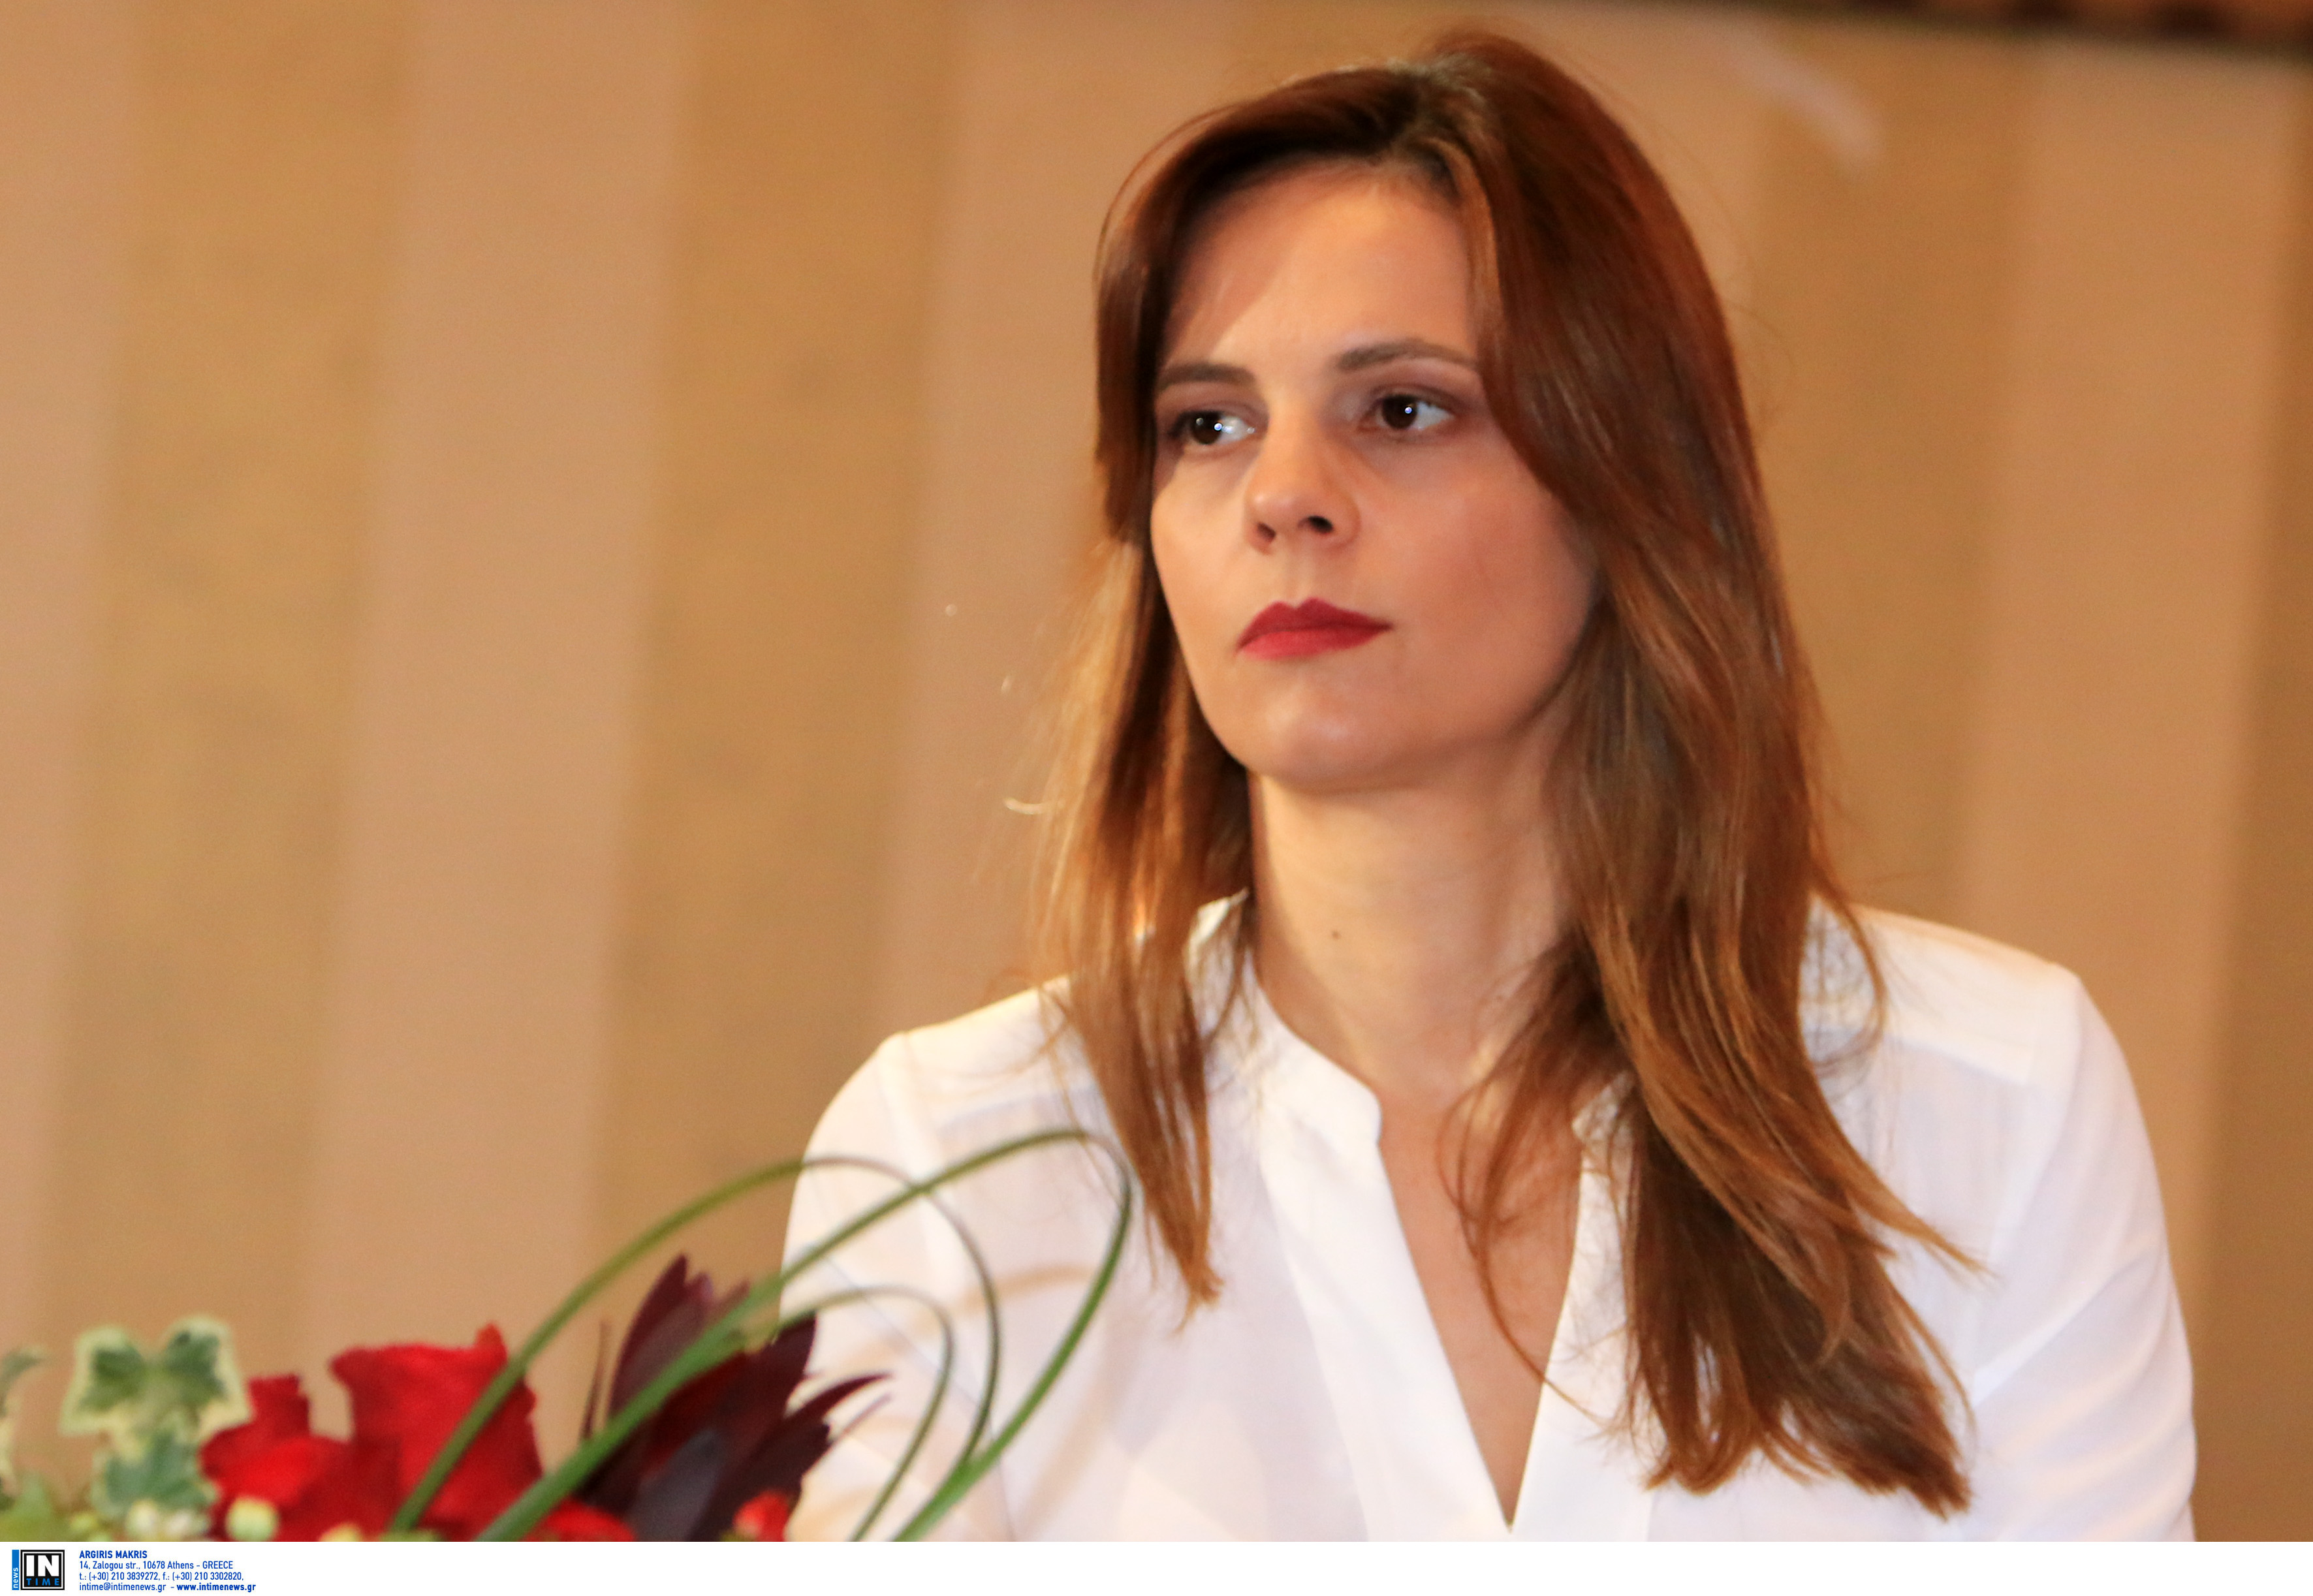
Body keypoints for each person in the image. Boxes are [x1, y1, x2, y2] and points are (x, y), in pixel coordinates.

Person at [780, 29, 2193, 1539]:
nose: (1282, 494)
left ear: (1624, 482)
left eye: (1400, 408)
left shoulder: (1988, 1102)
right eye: (1208, 424)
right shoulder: (960, 1162)